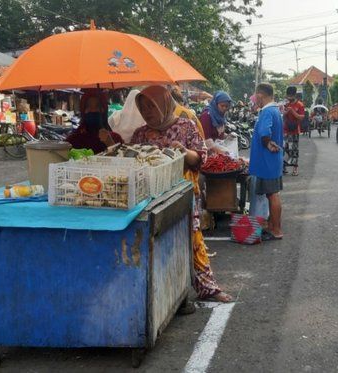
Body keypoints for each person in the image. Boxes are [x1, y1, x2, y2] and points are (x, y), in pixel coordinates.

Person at [129, 86, 232, 302]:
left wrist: (184, 152)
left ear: (164, 105)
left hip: (182, 194)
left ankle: (208, 289)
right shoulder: (140, 133)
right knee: (155, 243)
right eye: (143, 107)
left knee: (192, 240)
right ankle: (163, 295)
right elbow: (131, 161)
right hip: (149, 198)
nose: (147, 111)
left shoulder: (185, 126)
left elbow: (201, 158)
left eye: (152, 106)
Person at [250, 83, 284, 240]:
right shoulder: (275, 110)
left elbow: (264, 131)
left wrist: (267, 142)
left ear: (260, 95)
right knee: (273, 194)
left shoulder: (267, 112)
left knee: (272, 195)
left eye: (256, 96)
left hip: (268, 162)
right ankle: (272, 226)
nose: (255, 99)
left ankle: (276, 230)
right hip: (272, 161)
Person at [66, 89, 124, 153]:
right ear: (83, 111)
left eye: (97, 106)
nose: (93, 110)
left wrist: (110, 144)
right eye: (88, 107)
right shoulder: (73, 140)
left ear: (104, 110)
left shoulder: (116, 138)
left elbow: (123, 160)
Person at [282, 86, 305, 176]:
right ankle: (284, 167)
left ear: (295, 95)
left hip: (295, 131)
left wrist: (292, 111)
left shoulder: (300, 105)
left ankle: (295, 169)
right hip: (285, 130)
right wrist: (286, 112)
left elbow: (301, 117)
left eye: (290, 96)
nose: (289, 98)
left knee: (294, 150)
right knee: (284, 149)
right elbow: (282, 115)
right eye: (288, 96)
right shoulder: (286, 104)